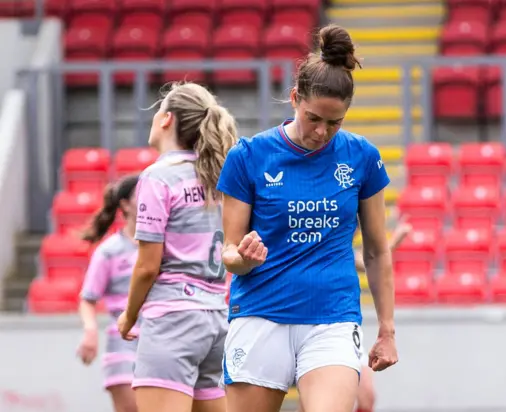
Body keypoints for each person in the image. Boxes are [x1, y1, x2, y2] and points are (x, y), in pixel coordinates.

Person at [217, 24, 399, 412]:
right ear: (295, 97)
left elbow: (377, 251)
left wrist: (386, 330)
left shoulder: (363, 157)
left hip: (331, 318)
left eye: (335, 123)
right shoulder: (248, 156)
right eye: (313, 117)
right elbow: (229, 253)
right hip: (260, 314)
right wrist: (243, 259)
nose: (322, 132)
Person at [116, 82, 238, 412]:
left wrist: (129, 316)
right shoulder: (217, 177)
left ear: (167, 119)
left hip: (173, 320)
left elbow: (147, 266)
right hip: (215, 318)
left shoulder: (158, 177)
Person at [298, 218, 413, 412]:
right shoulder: (317, 249)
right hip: (313, 330)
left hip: (342, 330)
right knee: (311, 404)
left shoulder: (345, 253)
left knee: (367, 397)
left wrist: (397, 237)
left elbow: (374, 260)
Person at [77, 175, 140, 412]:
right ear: (125, 204)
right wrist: (90, 332)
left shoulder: (163, 246)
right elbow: (88, 298)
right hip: (123, 344)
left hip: (160, 342)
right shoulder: (109, 251)